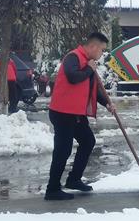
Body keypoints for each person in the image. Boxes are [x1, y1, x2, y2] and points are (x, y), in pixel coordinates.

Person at [45, 32, 116, 201]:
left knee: (88, 141)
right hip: (62, 112)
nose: (102, 54)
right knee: (63, 150)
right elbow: (73, 77)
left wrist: (107, 103)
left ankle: (74, 179)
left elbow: (93, 89)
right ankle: (52, 189)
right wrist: (89, 69)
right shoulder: (73, 57)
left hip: (75, 113)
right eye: (102, 50)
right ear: (93, 47)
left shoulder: (88, 63)